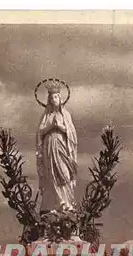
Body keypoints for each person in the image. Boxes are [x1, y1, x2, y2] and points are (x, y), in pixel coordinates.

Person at [36, 81, 78, 213]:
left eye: (55, 97)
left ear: (60, 99)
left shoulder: (65, 114)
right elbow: (40, 131)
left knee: (64, 173)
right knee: (51, 174)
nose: (53, 99)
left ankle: (66, 202)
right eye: (51, 97)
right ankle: (54, 204)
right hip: (49, 147)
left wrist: (59, 126)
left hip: (62, 147)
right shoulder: (46, 115)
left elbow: (72, 132)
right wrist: (51, 126)